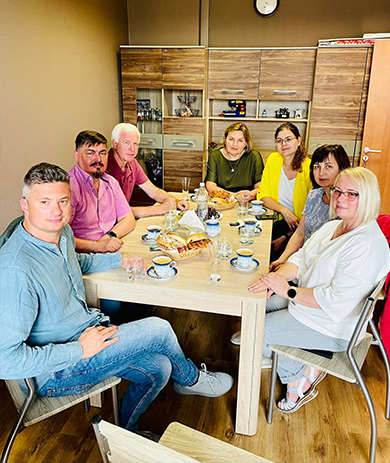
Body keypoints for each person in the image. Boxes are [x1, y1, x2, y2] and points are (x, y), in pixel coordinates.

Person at [0, 163, 234, 435]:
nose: (56, 211)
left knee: (159, 368)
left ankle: (127, 432)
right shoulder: (16, 269)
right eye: (44, 202)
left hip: (87, 333)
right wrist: (79, 350)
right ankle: (190, 379)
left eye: (63, 201)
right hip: (56, 372)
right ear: (25, 205)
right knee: (159, 329)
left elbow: (73, 262)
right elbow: (6, 360)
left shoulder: (61, 233)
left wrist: (118, 260)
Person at [248, 167, 390, 413]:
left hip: (332, 325)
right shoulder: (335, 226)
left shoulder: (366, 245)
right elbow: (302, 256)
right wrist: (276, 278)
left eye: (351, 194)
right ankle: (291, 357)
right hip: (309, 306)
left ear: (368, 198)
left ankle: (298, 381)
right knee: (257, 302)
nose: (340, 198)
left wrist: (287, 291)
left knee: (256, 331)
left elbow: (334, 301)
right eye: (338, 191)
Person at [270, 144, 351, 271]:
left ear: (342, 169)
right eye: (317, 166)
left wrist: (293, 267)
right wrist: (282, 260)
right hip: (301, 258)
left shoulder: (345, 204)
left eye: (328, 166)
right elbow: (300, 234)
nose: (321, 173)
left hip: (321, 267)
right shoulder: (314, 195)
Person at [69, 130, 135, 254]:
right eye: (90, 153)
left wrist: (110, 236)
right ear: (76, 156)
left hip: (110, 246)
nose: (98, 159)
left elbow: (128, 219)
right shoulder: (69, 187)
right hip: (84, 255)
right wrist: (97, 246)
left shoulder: (111, 182)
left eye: (102, 153)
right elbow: (61, 237)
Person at [107, 123, 189, 217]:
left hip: (125, 219)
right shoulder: (104, 167)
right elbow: (116, 211)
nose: (132, 149)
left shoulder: (132, 163)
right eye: (127, 142)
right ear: (114, 144)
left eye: (135, 144)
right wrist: (161, 209)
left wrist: (176, 202)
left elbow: (154, 192)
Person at [257, 122, 312, 259]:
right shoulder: (273, 159)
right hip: (277, 219)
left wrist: (288, 234)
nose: (284, 144)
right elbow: (263, 195)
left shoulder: (309, 166)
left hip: (300, 226)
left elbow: (313, 208)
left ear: (299, 141)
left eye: (288, 139)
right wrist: (284, 211)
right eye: (279, 140)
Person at [205, 122, 264, 203]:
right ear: (225, 140)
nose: (235, 144)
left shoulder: (254, 156)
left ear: (246, 143)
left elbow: (260, 187)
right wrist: (235, 195)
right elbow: (210, 186)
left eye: (240, 140)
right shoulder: (215, 156)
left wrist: (248, 196)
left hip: (247, 204)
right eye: (231, 139)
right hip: (222, 202)